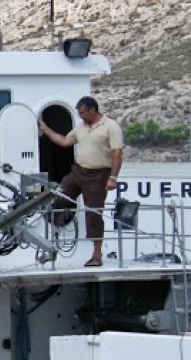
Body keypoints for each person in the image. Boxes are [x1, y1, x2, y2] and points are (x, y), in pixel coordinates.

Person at [38, 96, 125, 267]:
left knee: (93, 213)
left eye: (83, 113)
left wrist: (113, 177)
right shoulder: (80, 127)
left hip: (98, 174)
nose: (81, 116)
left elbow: (117, 153)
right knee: (59, 195)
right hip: (78, 171)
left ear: (93, 110)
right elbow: (64, 142)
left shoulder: (110, 127)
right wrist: (45, 129)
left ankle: (96, 254)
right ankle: (52, 238)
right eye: (78, 113)